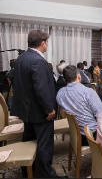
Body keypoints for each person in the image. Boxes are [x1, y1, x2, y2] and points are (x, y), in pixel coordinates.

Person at [11, 30, 58, 178]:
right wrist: (49, 109)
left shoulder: (22, 58)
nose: (47, 45)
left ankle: (27, 170)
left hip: (27, 109)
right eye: (47, 43)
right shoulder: (37, 60)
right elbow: (41, 88)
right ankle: (46, 174)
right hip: (40, 111)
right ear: (43, 43)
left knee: (28, 139)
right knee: (44, 144)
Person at [56, 65, 102, 145]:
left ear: (64, 79)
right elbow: (101, 114)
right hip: (91, 135)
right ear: (79, 76)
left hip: (75, 133)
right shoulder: (88, 92)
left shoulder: (60, 93)